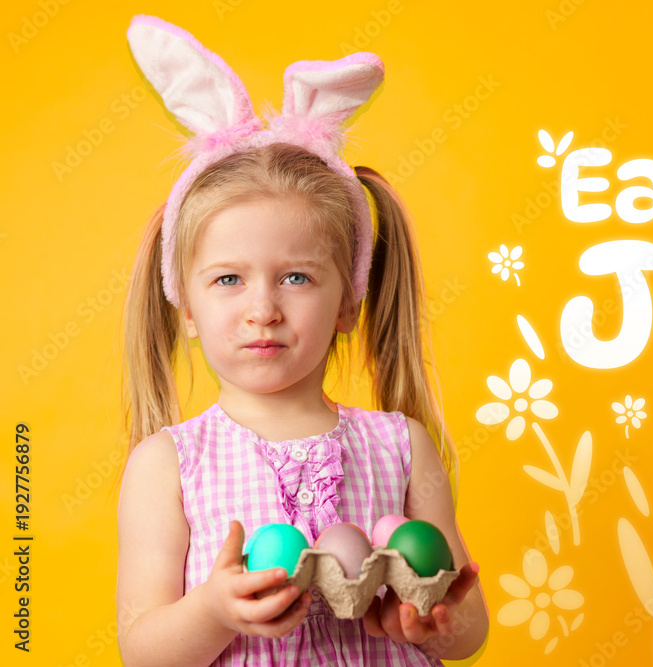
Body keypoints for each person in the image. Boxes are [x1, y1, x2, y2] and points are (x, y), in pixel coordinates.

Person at [116, 14, 488, 666]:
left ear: (347, 299)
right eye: (228, 278)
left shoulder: (401, 447)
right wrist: (211, 610)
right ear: (188, 305)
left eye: (296, 276)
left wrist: (435, 621)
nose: (263, 309)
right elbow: (142, 650)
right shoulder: (168, 463)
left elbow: (470, 627)